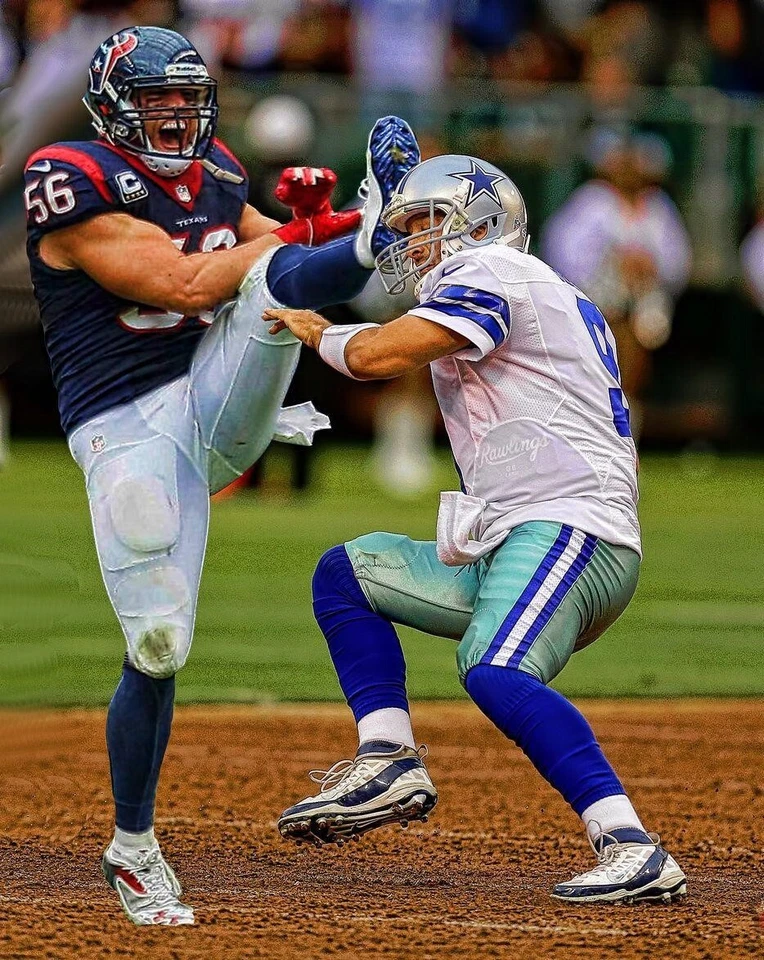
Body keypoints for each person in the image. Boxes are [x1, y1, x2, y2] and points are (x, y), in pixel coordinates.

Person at [23, 23, 421, 925]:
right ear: (112, 105)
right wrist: (322, 236)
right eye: (155, 98)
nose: (174, 114)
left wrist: (359, 233)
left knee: (284, 283)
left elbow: (285, 262)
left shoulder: (223, 176)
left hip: (216, 402)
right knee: (158, 646)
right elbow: (183, 284)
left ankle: (380, 215)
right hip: (125, 427)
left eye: (185, 99)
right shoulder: (70, 175)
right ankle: (133, 847)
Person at [267, 154, 687, 905]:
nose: (411, 242)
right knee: (347, 575)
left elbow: (377, 355)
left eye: (425, 223)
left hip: (569, 527)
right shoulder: (521, 283)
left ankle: (630, 842)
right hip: (522, 534)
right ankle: (389, 757)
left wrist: (319, 332)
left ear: (481, 225)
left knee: (494, 668)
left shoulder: (496, 272)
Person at [541, 129, 692, 442]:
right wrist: (609, 267)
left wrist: (650, 265)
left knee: (634, 368)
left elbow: (678, 260)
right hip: (597, 299)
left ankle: (627, 440)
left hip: (642, 302)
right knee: (596, 372)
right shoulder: (592, 201)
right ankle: (590, 439)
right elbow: (562, 250)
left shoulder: (658, 208)